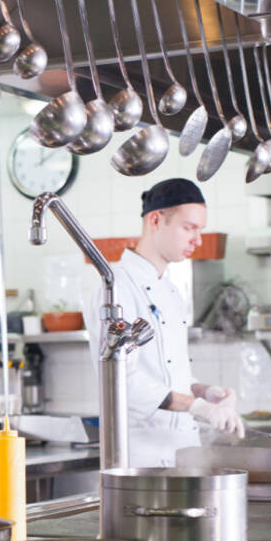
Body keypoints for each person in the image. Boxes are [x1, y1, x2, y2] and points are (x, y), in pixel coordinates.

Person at [82, 178, 244, 468]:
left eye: (200, 230)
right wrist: (198, 407)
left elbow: (170, 374)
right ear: (156, 220)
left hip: (184, 449)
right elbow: (122, 380)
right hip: (139, 455)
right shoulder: (114, 288)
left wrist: (205, 392)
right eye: (189, 228)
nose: (197, 240)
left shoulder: (171, 292)